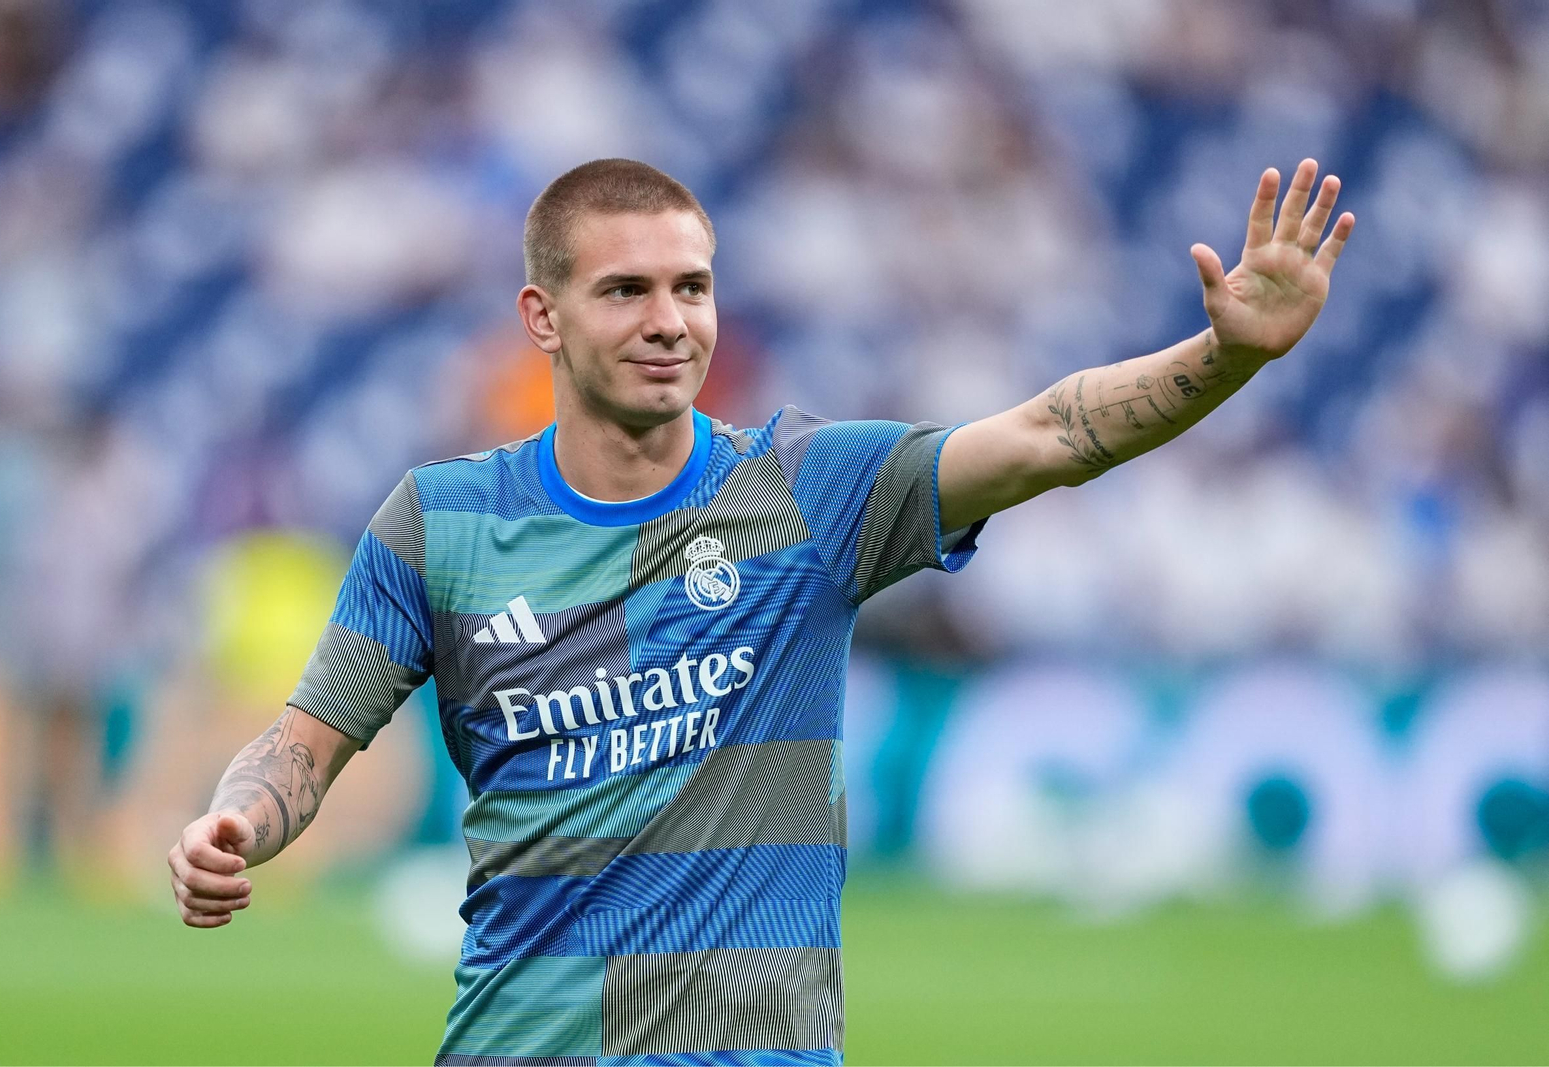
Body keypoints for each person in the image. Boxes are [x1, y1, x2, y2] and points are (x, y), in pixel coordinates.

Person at [168, 157, 1353, 1064]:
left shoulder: (806, 489)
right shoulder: (440, 522)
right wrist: (235, 825)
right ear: (543, 318)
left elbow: (1047, 432)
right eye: (625, 290)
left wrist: (1225, 356)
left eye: (691, 286)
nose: (668, 321)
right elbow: (302, 745)